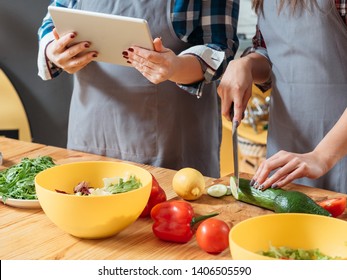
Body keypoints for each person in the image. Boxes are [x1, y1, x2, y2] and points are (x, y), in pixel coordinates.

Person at [37, 0, 240, 178]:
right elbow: (52, 21)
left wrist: (176, 67)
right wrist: (53, 51)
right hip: (90, 136)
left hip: (172, 146)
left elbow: (220, 47)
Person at [218, 0, 347, 193]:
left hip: (338, 150)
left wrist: (321, 156)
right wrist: (247, 64)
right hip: (285, 146)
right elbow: (271, 54)